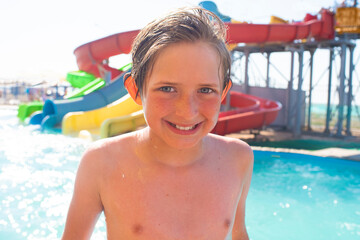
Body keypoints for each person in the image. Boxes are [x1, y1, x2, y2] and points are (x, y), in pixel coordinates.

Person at [62, 7, 253, 240]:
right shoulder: (102, 162)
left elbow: (238, 232)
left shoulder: (238, 158)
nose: (187, 111)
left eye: (205, 90)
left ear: (223, 93)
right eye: (167, 89)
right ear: (135, 90)